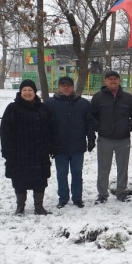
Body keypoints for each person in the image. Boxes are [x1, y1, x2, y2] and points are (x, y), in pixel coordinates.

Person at [0, 79, 55, 215]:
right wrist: (7, 150)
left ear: (35, 92)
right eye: (24, 90)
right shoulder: (12, 108)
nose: (27, 93)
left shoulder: (43, 108)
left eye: (30, 90)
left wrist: (51, 146)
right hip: (19, 152)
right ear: (20, 92)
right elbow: (5, 131)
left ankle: (39, 207)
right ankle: (20, 206)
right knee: (19, 179)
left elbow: (51, 128)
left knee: (40, 179)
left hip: (39, 151)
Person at [45, 76, 96, 209]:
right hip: (59, 146)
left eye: (68, 85)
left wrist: (91, 139)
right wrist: (49, 143)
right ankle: (63, 197)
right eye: (63, 85)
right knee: (61, 174)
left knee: (77, 173)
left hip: (77, 145)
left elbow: (89, 123)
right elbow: (46, 125)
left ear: (73, 87)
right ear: (59, 87)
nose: (66, 88)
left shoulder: (83, 103)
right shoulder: (50, 104)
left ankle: (77, 197)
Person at [91, 70, 132, 203]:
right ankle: (102, 194)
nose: (113, 81)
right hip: (104, 138)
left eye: (115, 78)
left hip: (123, 138)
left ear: (119, 81)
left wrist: (129, 127)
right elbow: (91, 116)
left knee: (122, 167)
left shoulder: (128, 98)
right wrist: (98, 127)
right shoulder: (98, 97)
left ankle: (121, 192)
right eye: (109, 79)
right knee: (103, 167)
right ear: (105, 81)